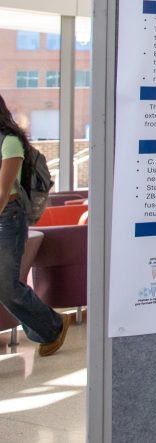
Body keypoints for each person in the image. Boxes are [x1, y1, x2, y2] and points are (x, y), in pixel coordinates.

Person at [0, 94, 71, 356]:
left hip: (9, 218)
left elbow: (3, 192)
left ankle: (52, 325)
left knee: (5, 285)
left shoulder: (11, 143)